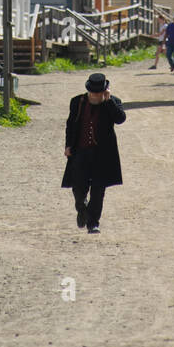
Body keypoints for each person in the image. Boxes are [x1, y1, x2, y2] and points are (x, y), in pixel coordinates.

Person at [61, 72, 126, 234]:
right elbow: (70, 125)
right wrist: (68, 145)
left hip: (102, 154)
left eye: (98, 93)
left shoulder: (112, 102)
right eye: (92, 92)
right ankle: (81, 208)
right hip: (80, 151)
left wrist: (108, 101)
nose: (94, 95)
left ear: (104, 91)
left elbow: (120, 119)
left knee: (98, 190)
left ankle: (93, 222)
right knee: (78, 187)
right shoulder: (77, 102)